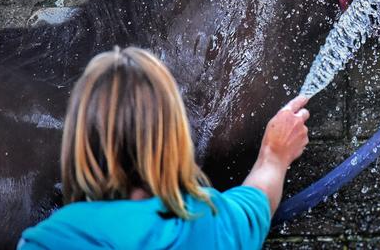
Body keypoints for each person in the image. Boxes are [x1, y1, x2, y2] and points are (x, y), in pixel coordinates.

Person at [17, 47, 310, 249]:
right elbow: (259, 196)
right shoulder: (210, 221)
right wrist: (275, 153)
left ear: (79, 140)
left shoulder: (50, 241)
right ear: (175, 135)